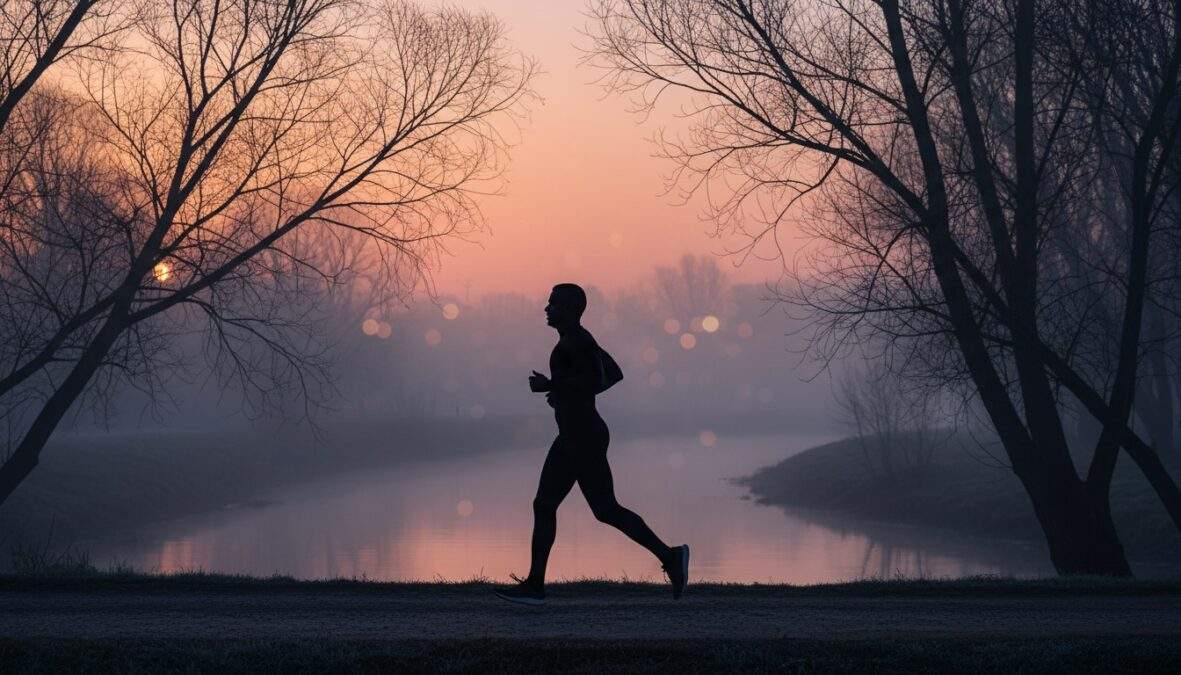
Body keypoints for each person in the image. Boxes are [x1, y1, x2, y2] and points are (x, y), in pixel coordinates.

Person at [495, 283, 689, 605]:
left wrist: (553, 385)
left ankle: (535, 586)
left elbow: (596, 379)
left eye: (553, 304)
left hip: (581, 436)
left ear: (570, 309)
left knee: (565, 507)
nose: (546, 309)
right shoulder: (576, 341)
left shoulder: (579, 341)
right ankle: (670, 556)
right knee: (594, 508)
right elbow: (610, 374)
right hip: (578, 434)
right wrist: (562, 395)